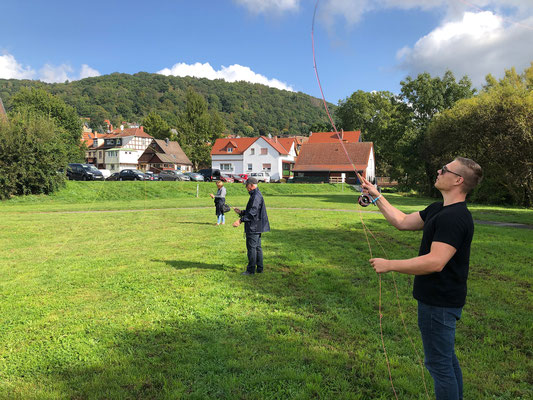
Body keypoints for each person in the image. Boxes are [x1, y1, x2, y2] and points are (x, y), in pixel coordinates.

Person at [361, 157, 483, 400]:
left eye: (445, 169)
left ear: (458, 180)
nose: (439, 170)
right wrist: (376, 196)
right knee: (445, 360)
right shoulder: (439, 209)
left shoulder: (455, 217)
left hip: (440, 303)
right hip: (438, 301)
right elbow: (403, 221)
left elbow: (435, 262)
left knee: (439, 365)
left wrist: (390, 265)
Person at [233, 177, 270, 275]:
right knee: (257, 247)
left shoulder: (256, 196)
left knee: (252, 248)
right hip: (257, 224)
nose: (246, 187)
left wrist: (240, 220)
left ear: (251, 185)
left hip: (254, 226)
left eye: (247, 185)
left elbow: (252, 213)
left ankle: (250, 270)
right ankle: (259, 268)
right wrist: (241, 212)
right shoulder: (256, 195)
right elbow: (252, 211)